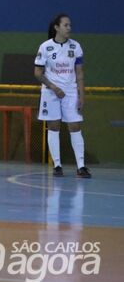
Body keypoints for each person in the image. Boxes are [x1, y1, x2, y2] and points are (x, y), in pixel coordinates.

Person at [34, 13, 91, 178]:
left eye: (70, 25)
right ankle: (57, 165)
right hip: (51, 92)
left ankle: (81, 166)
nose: (69, 28)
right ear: (56, 27)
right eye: (66, 25)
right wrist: (52, 86)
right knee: (53, 126)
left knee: (75, 126)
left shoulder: (76, 47)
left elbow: (79, 74)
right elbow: (37, 73)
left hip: (71, 91)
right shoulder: (45, 47)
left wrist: (82, 95)